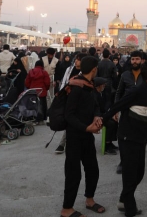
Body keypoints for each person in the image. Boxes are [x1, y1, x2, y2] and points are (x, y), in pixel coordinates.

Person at [103, 60, 147, 217]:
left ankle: (123, 199)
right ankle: (129, 209)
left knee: (139, 173)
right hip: (128, 137)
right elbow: (118, 105)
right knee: (130, 174)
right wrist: (102, 121)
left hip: (140, 138)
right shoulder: (137, 91)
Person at [60, 56, 105, 217]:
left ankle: (89, 200)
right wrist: (86, 127)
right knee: (73, 173)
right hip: (75, 136)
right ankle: (66, 209)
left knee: (92, 169)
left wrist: (96, 117)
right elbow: (69, 115)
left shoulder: (90, 86)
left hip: (87, 136)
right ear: (94, 69)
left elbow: (95, 106)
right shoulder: (77, 87)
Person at [54, 54, 82, 155]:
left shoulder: (85, 72)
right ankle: (63, 143)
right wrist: (61, 93)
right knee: (69, 120)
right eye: (76, 59)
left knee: (74, 121)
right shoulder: (69, 69)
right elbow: (64, 82)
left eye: (79, 60)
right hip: (68, 97)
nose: (76, 61)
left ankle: (64, 144)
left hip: (79, 99)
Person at [92, 76, 119, 155]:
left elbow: (107, 105)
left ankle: (110, 142)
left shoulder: (103, 93)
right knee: (110, 124)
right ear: (98, 86)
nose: (104, 85)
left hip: (102, 114)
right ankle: (107, 145)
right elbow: (96, 109)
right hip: (95, 116)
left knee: (115, 122)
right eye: (102, 84)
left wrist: (111, 113)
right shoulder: (93, 95)